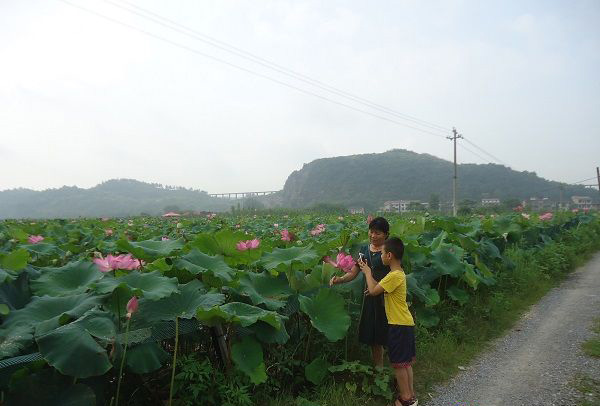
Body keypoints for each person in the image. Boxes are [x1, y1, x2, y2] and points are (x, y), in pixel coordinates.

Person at [359, 236, 417, 406]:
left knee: (398, 364)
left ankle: (405, 399)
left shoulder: (393, 276)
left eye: (383, 253)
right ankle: (411, 396)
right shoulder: (397, 274)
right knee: (406, 363)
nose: (381, 255)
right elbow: (378, 287)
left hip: (398, 325)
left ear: (389, 255)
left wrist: (368, 272)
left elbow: (373, 290)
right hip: (405, 323)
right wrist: (373, 284)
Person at [329, 216, 390, 367]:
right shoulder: (364, 250)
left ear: (386, 234)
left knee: (383, 335)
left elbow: (395, 275)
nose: (373, 236)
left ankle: (386, 369)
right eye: (371, 232)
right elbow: (354, 272)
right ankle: (379, 369)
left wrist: (378, 288)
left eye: (378, 233)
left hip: (385, 298)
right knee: (373, 338)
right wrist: (340, 279)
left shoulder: (389, 252)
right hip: (368, 299)